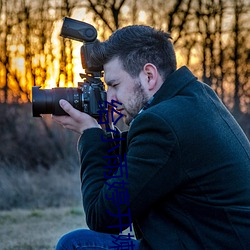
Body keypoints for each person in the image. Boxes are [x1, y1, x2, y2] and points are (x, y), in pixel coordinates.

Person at [52, 25, 250, 249]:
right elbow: (144, 162)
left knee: (76, 244)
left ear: (149, 75)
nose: (110, 99)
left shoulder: (162, 124)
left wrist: (90, 135)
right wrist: (102, 132)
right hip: (213, 240)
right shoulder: (195, 98)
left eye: (115, 85)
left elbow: (104, 219)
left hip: (206, 244)